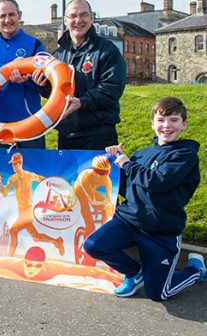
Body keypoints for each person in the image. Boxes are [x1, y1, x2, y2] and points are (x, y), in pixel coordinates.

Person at [84, 97, 205, 300]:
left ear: (184, 124)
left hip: (161, 231)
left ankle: (195, 270)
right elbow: (128, 188)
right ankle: (134, 272)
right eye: (161, 120)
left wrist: (127, 164)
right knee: (94, 245)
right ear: (153, 124)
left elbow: (156, 182)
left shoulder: (185, 155)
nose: (167, 126)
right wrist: (114, 165)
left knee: (158, 293)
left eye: (174, 120)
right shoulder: (142, 154)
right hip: (129, 221)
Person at [51, 0, 126, 150]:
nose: (78, 20)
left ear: (92, 17)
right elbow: (54, 92)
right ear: (66, 20)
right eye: (73, 16)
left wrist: (82, 102)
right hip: (67, 136)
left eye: (83, 15)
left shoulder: (107, 50)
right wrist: (42, 86)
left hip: (99, 135)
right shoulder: (57, 55)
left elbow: (112, 88)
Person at [0, 0, 47, 149]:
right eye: (2, 16)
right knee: (2, 172)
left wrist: (28, 78)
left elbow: (44, 80)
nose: (7, 20)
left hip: (30, 122)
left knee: (33, 172)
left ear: (19, 16)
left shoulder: (35, 44)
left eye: (12, 15)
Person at [0, 152, 64, 257]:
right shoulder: (12, 178)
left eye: (14, 164)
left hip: (28, 210)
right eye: (12, 164)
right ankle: (56, 242)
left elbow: (42, 179)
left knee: (13, 231)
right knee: (36, 237)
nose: (12, 166)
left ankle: (9, 258)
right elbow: (4, 193)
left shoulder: (28, 175)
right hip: (22, 211)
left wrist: (55, 186)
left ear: (19, 163)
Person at [0, 246, 121, 286]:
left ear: (43, 265)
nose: (30, 269)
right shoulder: (15, 264)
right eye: (29, 264)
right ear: (24, 261)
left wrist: (113, 277)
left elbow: (87, 270)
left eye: (36, 266)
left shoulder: (52, 268)